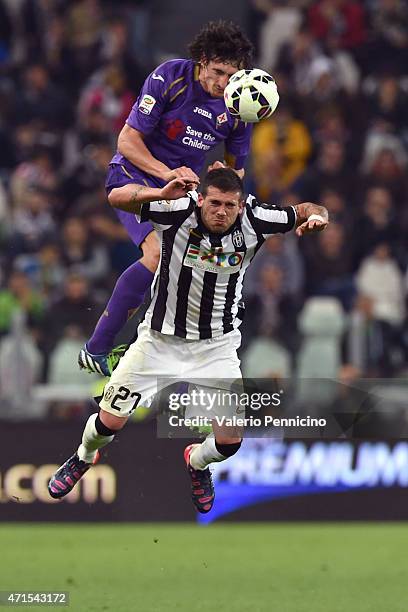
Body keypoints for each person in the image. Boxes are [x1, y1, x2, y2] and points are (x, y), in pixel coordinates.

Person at [49, 167, 328, 514]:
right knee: (108, 424)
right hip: (158, 340)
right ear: (201, 200)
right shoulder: (177, 209)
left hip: (216, 347)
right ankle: (83, 457)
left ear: (241, 206)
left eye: (229, 205)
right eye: (214, 203)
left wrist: (318, 216)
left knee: (230, 442)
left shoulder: (256, 219)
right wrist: (159, 194)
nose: (221, 212)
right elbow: (116, 196)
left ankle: (196, 462)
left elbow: (308, 209)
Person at [78, 20, 254, 377]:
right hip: (136, 175)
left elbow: (236, 174)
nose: (223, 83)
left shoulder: (238, 106)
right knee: (157, 254)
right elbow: (127, 140)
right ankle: (96, 349)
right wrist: (165, 173)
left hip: (183, 189)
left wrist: (221, 175)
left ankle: (156, 358)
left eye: (232, 75)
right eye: (218, 71)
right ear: (202, 60)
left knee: (194, 272)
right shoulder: (170, 77)